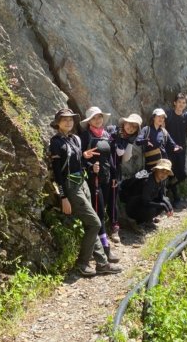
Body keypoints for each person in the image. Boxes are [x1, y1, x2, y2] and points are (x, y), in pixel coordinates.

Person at [48, 108, 121, 277]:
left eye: (71, 119)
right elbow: (57, 171)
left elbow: (78, 162)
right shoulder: (56, 142)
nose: (68, 122)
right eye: (64, 119)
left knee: (92, 223)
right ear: (58, 123)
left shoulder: (75, 139)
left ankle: (102, 263)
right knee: (95, 222)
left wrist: (88, 163)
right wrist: (63, 196)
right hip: (70, 186)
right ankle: (82, 263)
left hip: (82, 182)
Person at [79, 106, 119, 263]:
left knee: (104, 211)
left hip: (106, 179)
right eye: (94, 118)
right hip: (93, 180)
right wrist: (90, 167)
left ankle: (103, 248)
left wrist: (114, 176)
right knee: (99, 214)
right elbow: (80, 158)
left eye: (100, 117)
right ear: (89, 121)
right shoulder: (85, 136)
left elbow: (110, 158)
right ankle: (105, 250)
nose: (98, 120)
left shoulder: (106, 135)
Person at [106, 113, 143, 242]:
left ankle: (114, 227)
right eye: (129, 124)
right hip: (103, 169)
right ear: (124, 123)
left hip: (115, 172)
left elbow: (125, 159)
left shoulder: (128, 140)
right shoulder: (111, 130)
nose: (130, 128)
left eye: (134, 127)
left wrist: (129, 143)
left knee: (113, 199)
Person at [125, 158, 174, 226]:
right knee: (153, 209)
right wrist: (163, 205)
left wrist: (169, 206)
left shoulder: (161, 180)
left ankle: (148, 220)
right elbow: (145, 202)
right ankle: (141, 222)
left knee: (166, 200)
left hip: (144, 204)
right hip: (133, 208)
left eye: (167, 172)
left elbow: (161, 196)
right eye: (162, 171)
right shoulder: (148, 181)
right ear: (156, 170)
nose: (164, 174)